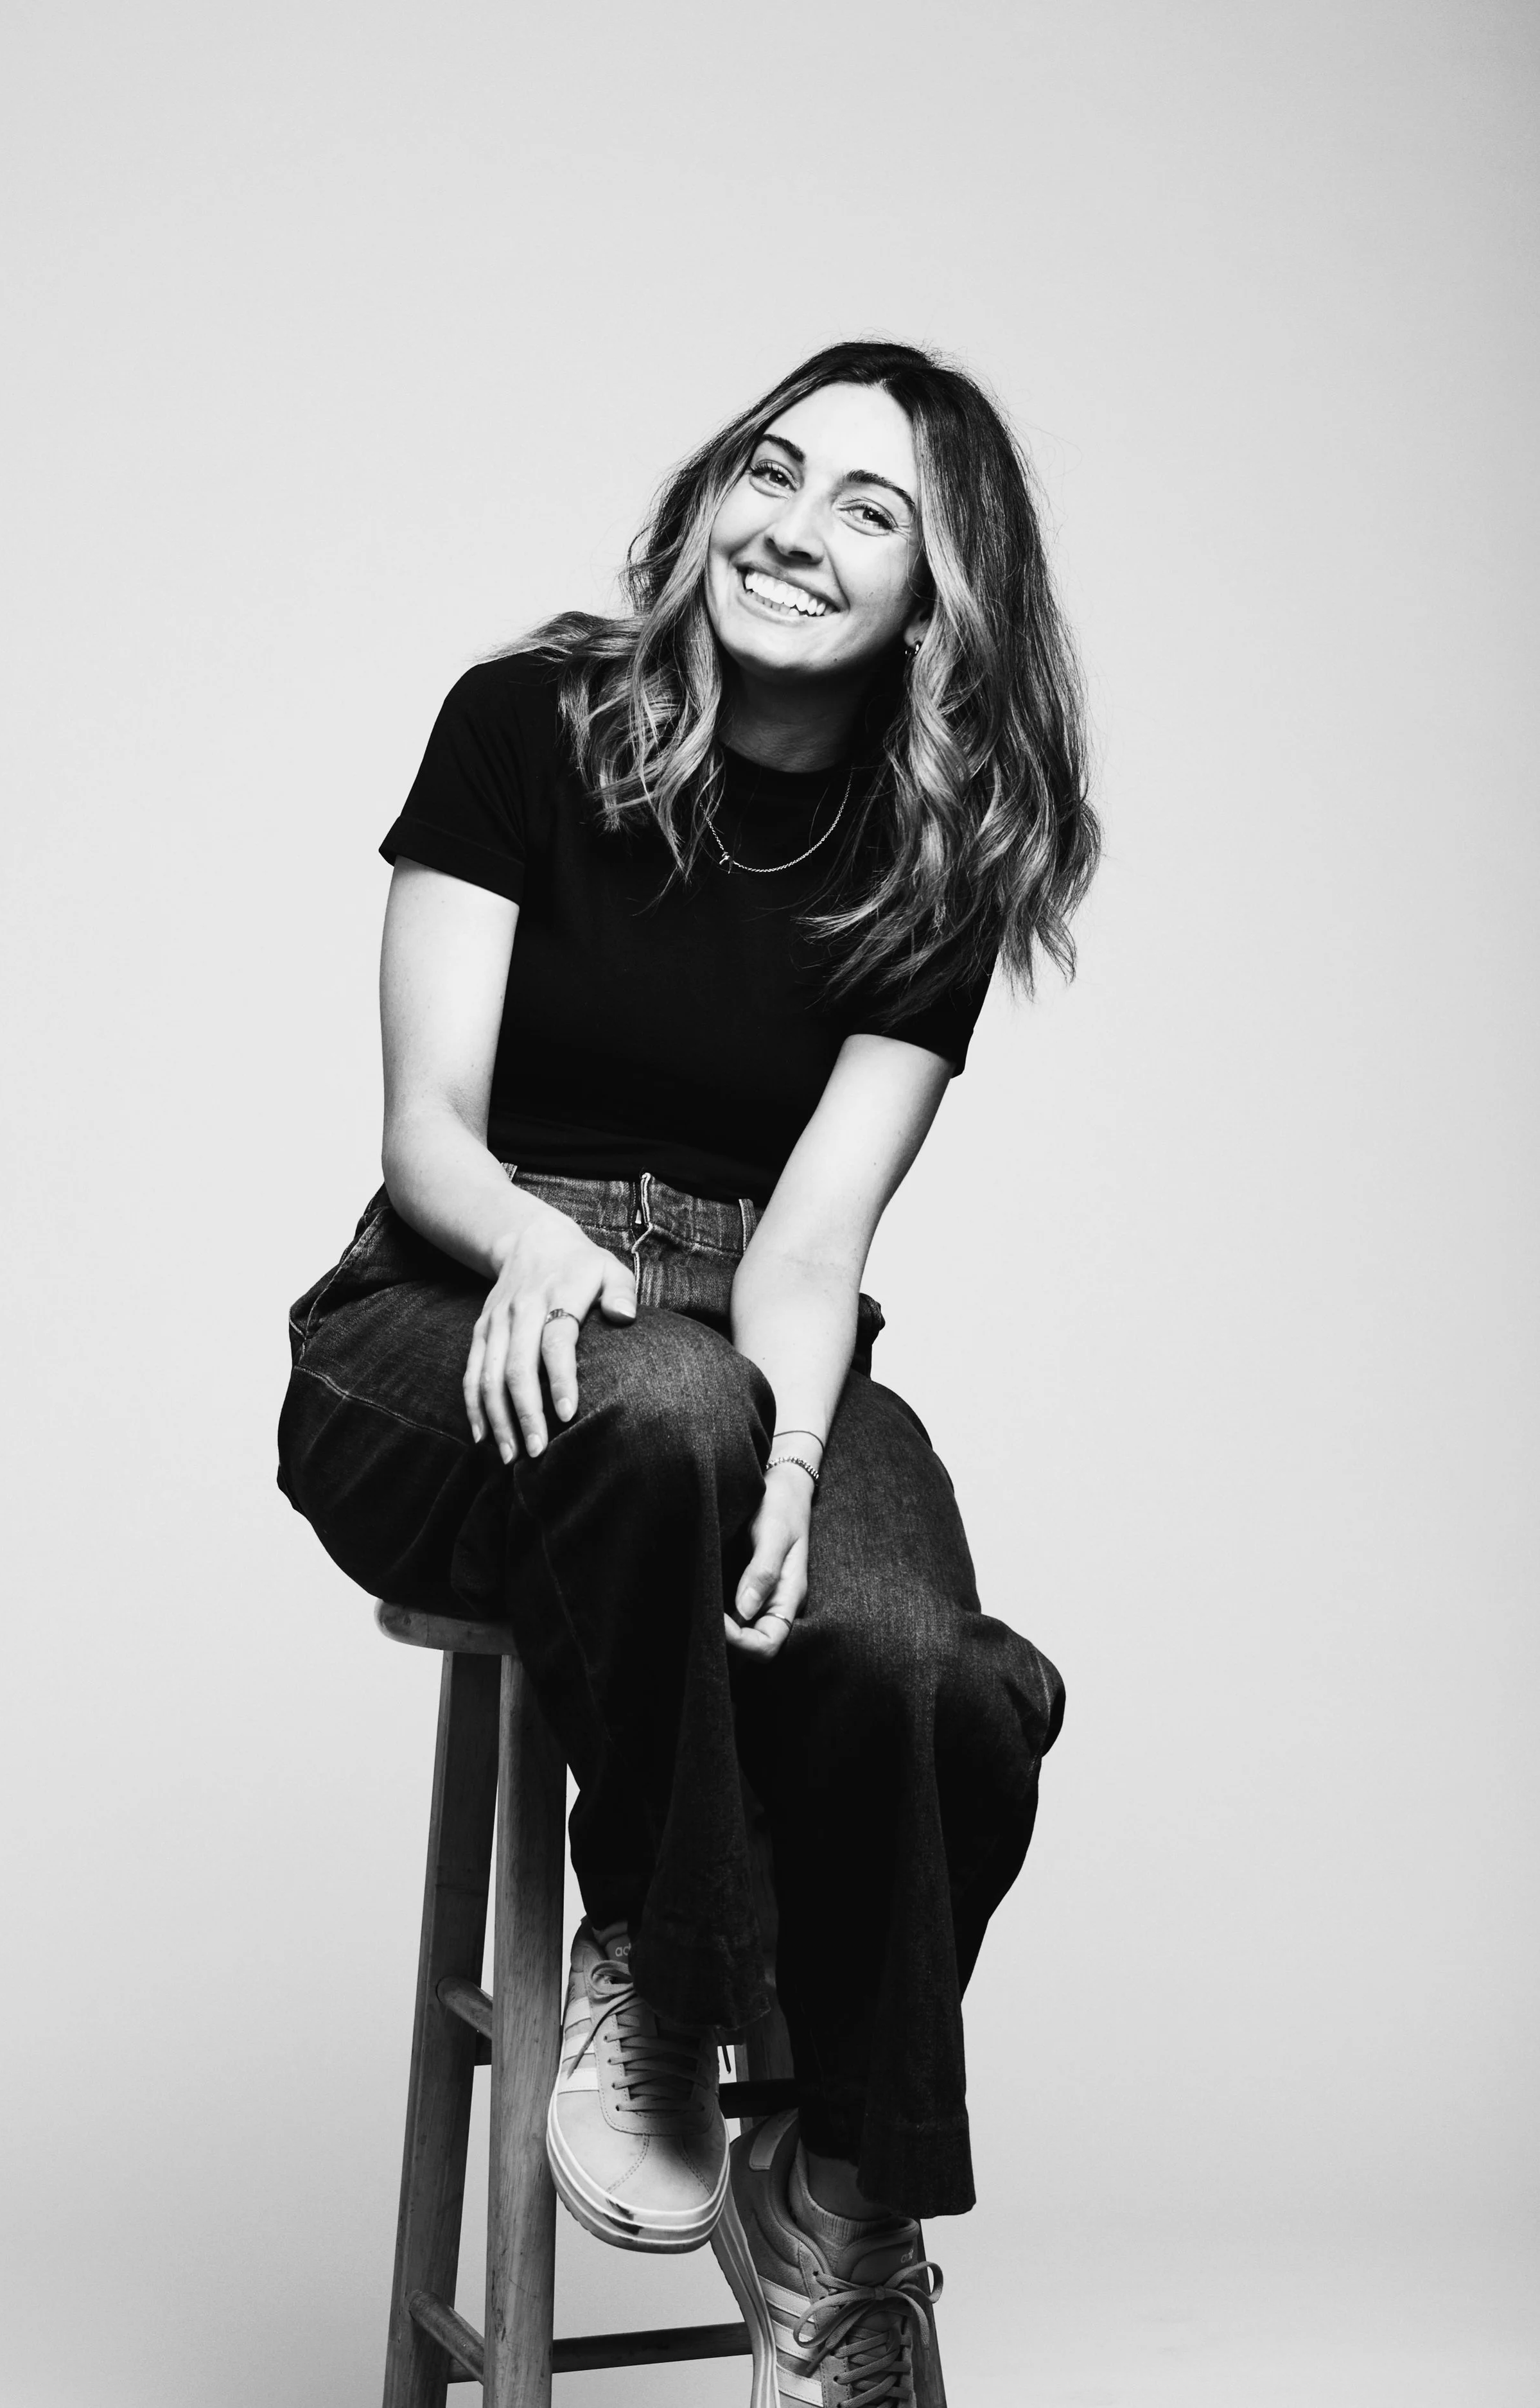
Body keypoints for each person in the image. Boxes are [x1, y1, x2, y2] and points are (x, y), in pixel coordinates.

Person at [277, 337, 1097, 2404]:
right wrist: (542, 1241)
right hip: (454, 1305)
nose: (791, 528)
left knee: (945, 1680)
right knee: (660, 1401)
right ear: (708, 491)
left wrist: (807, 1446)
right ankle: (667, 1936)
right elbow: (424, 1128)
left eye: (868, 511)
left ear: (938, 600)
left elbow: (812, 1240)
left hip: (742, 1333)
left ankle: (831, 2184)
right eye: (771, 468)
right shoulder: (527, 726)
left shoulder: (932, 865)